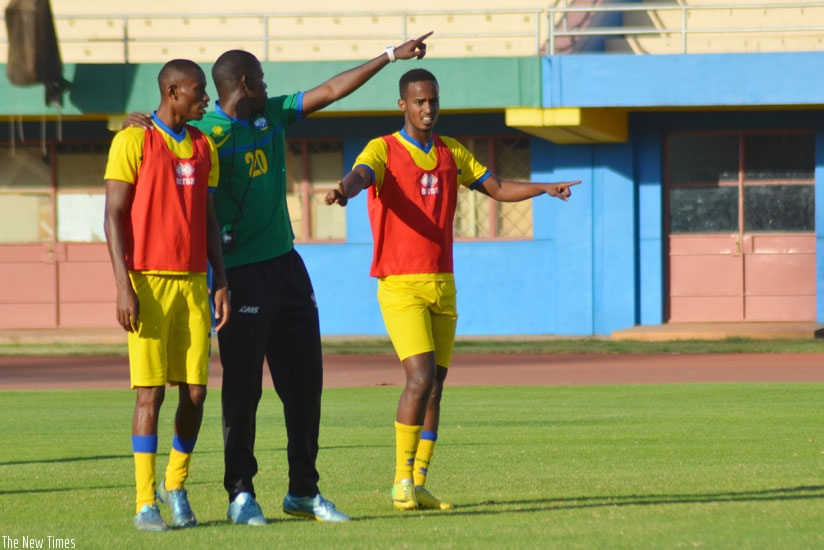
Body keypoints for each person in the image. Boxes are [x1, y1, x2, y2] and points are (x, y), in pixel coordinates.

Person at [125, 32, 431, 524]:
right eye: (262, 79)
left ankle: (303, 491)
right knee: (243, 390)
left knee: (306, 384)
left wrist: (391, 55)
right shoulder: (206, 135)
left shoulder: (274, 114)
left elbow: (331, 90)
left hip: (287, 266)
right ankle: (240, 494)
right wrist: (136, 122)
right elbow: (165, 134)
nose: (269, 86)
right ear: (245, 82)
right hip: (238, 274)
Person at [325, 68, 580, 511]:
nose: (428, 109)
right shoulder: (383, 148)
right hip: (400, 284)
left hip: (443, 282)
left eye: (433, 101)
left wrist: (545, 188)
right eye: (419, 101)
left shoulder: (451, 152)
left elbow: (496, 188)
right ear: (402, 104)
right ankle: (400, 481)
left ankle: (420, 482)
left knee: (437, 386)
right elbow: (362, 174)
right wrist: (344, 190)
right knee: (419, 378)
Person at [104, 59, 230, 531]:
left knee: (195, 393)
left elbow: (210, 218)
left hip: (194, 283)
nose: (206, 100)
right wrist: (124, 285)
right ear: (173, 91)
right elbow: (113, 215)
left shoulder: (203, 146)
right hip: (148, 283)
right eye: (198, 92)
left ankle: (175, 486)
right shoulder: (132, 139)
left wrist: (221, 279)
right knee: (149, 395)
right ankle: (144, 502)